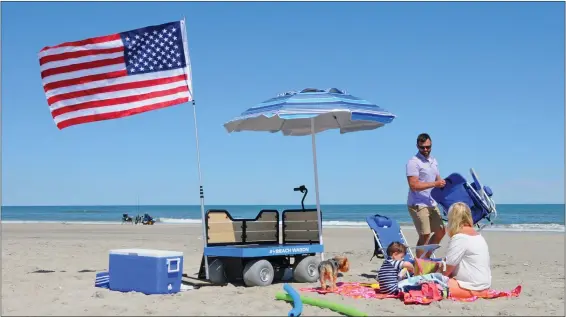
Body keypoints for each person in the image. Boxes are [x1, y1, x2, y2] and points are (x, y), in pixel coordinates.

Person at [406, 133, 446, 258]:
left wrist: (443, 185)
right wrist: (435, 183)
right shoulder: (413, 162)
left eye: (428, 147)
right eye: (422, 147)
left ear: (431, 145)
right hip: (418, 204)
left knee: (441, 231)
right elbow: (414, 185)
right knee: (425, 235)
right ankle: (419, 266)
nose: (425, 150)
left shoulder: (434, 161)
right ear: (417, 146)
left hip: (431, 202)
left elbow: (438, 178)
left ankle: (425, 258)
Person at [442, 202, 492, 298]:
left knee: (429, 283)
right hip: (484, 285)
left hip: (469, 287)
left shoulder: (460, 237)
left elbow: (447, 270)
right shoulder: (477, 235)